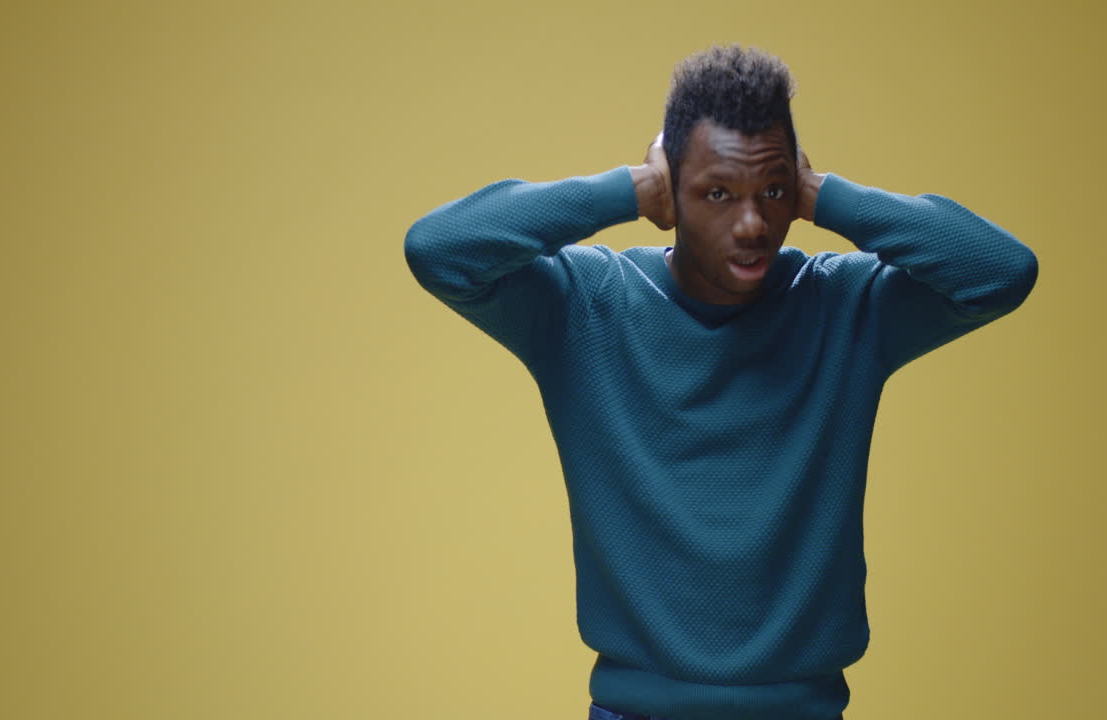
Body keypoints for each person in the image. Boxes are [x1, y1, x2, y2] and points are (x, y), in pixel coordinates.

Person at [404, 44, 1038, 720]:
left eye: (772, 192)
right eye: (716, 193)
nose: (751, 224)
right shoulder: (585, 306)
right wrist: (628, 189)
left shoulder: (846, 308)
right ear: (672, 193)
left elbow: (1002, 270)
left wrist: (827, 197)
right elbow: (439, 250)